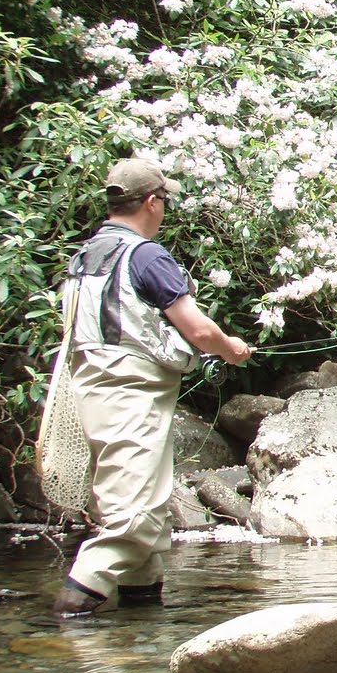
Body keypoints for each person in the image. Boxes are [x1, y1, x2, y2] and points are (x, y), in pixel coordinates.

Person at [51, 159, 253, 617]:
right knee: (134, 516)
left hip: (94, 388)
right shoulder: (145, 256)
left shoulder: (84, 256)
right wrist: (231, 348)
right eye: (165, 201)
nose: (164, 210)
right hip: (133, 393)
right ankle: (71, 610)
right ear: (151, 202)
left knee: (146, 503)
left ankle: (143, 612)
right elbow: (198, 331)